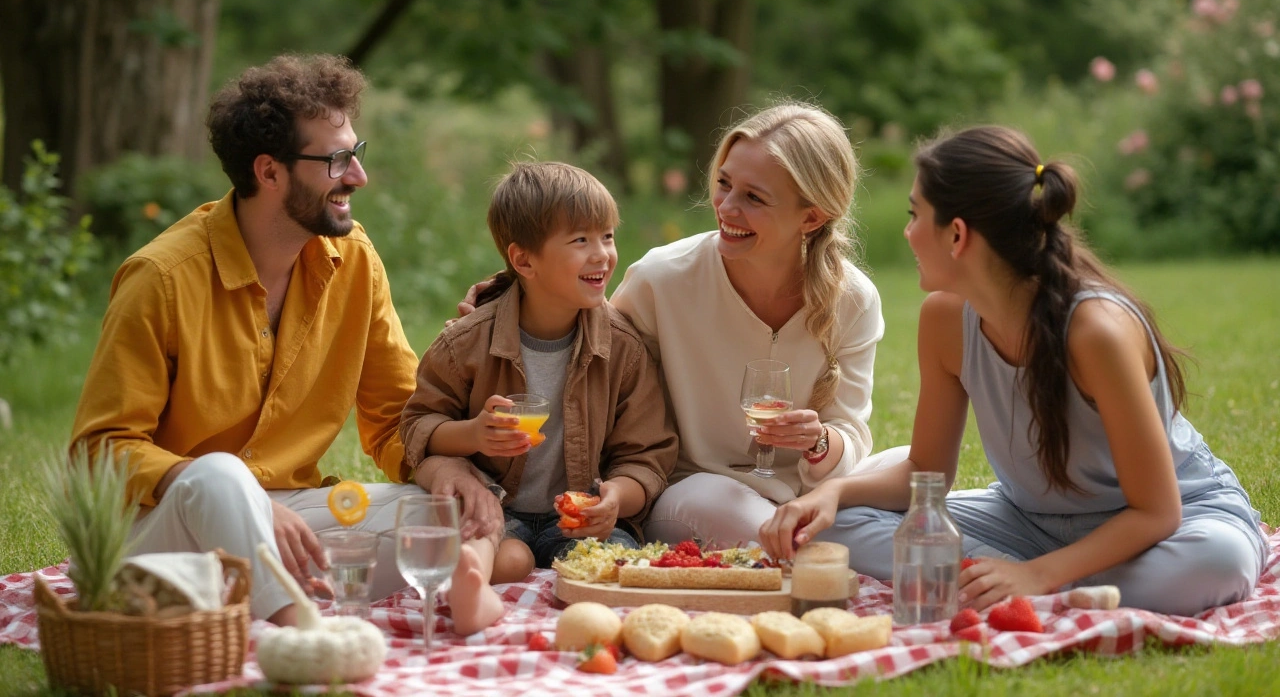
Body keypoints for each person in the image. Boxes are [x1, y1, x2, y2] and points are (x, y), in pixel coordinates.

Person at [759, 126, 1266, 616]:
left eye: (916, 216)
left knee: (1213, 565)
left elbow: (1157, 512)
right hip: (1027, 522)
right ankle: (1047, 581)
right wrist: (832, 492)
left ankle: (1029, 579)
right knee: (834, 528)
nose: (909, 233)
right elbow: (925, 475)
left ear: (957, 235)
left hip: (1171, 527)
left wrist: (1038, 575)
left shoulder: (1096, 332)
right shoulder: (944, 320)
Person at [68, 54, 495, 626]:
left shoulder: (354, 260)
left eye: (356, 153)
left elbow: (395, 415)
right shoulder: (162, 278)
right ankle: (305, 636)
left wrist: (446, 471)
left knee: (447, 515)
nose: (358, 176)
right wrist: (246, 502)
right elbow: (99, 450)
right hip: (161, 536)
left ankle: (265, 598)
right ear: (269, 172)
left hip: (288, 522)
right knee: (222, 476)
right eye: (338, 160)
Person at [402, 161, 678, 635]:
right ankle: (475, 583)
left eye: (607, 236)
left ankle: (505, 576)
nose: (602, 255)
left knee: (616, 561)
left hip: (576, 519)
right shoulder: (466, 343)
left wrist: (615, 498)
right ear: (524, 261)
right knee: (497, 546)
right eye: (580, 241)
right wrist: (473, 434)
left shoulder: (622, 348)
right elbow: (417, 426)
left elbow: (646, 454)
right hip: (497, 507)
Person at [608, 103, 894, 547]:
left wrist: (818, 441)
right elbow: (589, 360)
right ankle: (822, 553)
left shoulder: (853, 299)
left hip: (805, 493)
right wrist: (508, 303)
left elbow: (851, 430)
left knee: (920, 466)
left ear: (811, 217)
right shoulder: (662, 280)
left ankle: (807, 542)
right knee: (716, 502)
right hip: (697, 492)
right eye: (724, 184)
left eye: (753, 197)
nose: (726, 207)